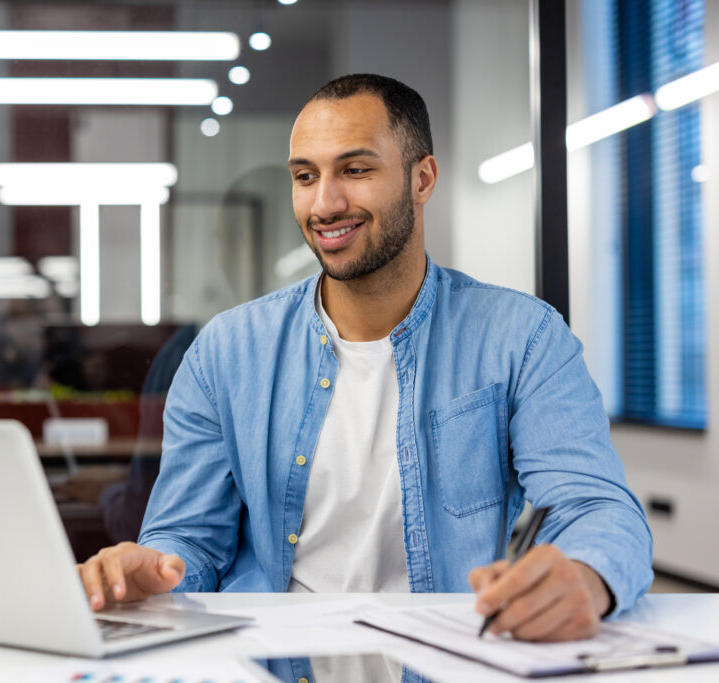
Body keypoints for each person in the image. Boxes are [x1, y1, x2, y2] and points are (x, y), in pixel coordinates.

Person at [78, 73, 653, 642]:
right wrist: (151, 572)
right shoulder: (226, 353)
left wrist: (586, 575)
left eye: (355, 170)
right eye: (306, 176)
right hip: (275, 666)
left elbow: (594, 505)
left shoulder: (521, 338)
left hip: (453, 664)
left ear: (422, 178)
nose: (325, 203)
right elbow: (189, 540)